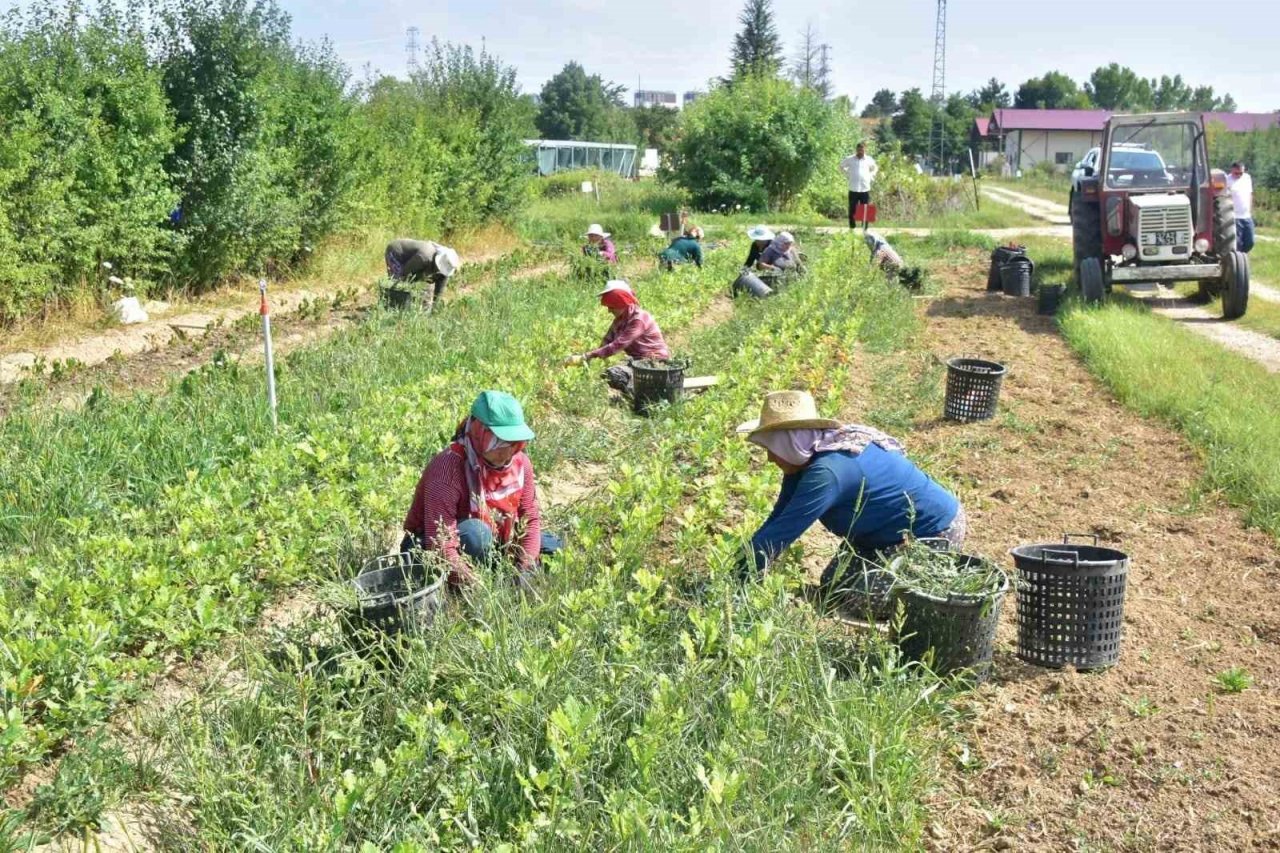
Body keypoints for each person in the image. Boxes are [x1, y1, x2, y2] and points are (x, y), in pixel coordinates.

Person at [734, 390, 965, 589]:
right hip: (878, 538)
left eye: (772, 448)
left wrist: (734, 580)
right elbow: (778, 520)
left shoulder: (827, 473)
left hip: (931, 532)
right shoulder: (805, 460)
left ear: (790, 442)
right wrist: (740, 566)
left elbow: (784, 531)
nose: (769, 458)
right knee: (833, 588)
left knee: (855, 601)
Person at [401, 391, 558, 592]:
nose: (508, 451)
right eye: (500, 442)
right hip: (429, 547)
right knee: (477, 534)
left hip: (492, 538)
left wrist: (525, 569)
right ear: (479, 434)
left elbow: (531, 518)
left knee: (552, 547)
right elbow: (439, 542)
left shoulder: (521, 464)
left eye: (514, 443)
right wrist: (481, 589)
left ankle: (501, 572)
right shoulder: (448, 469)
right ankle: (456, 587)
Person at [563, 280, 670, 395]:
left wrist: (587, 356)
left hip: (654, 363)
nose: (609, 310)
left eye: (612, 307)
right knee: (610, 375)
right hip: (638, 363)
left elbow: (618, 345)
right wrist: (588, 361)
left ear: (621, 303)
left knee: (615, 375)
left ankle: (642, 393)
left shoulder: (639, 319)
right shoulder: (620, 320)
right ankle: (639, 389)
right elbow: (607, 340)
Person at [385, 238, 461, 310]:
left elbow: (439, 292)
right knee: (398, 284)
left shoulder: (447, 267)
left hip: (414, 262)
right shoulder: (425, 257)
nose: (438, 271)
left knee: (424, 290)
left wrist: (434, 309)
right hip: (397, 253)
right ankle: (391, 307)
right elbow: (406, 273)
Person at [839, 142, 879, 230]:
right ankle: (852, 228)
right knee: (852, 209)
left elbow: (875, 168)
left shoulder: (869, 159)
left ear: (865, 149)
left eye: (862, 149)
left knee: (865, 209)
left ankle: (865, 229)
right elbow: (841, 166)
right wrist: (848, 174)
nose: (860, 151)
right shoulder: (850, 159)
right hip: (853, 188)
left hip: (865, 188)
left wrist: (871, 175)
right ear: (856, 150)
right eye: (859, 149)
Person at [1228, 162, 1255, 254]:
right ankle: (1239, 259)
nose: (1239, 175)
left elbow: (1250, 194)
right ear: (1232, 170)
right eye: (1236, 173)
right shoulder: (1227, 180)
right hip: (1235, 216)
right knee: (1237, 243)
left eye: (1241, 173)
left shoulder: (1247, 178)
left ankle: (1243, 256)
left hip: (1246, 216)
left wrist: (1250, 209)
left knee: (1250, 241)